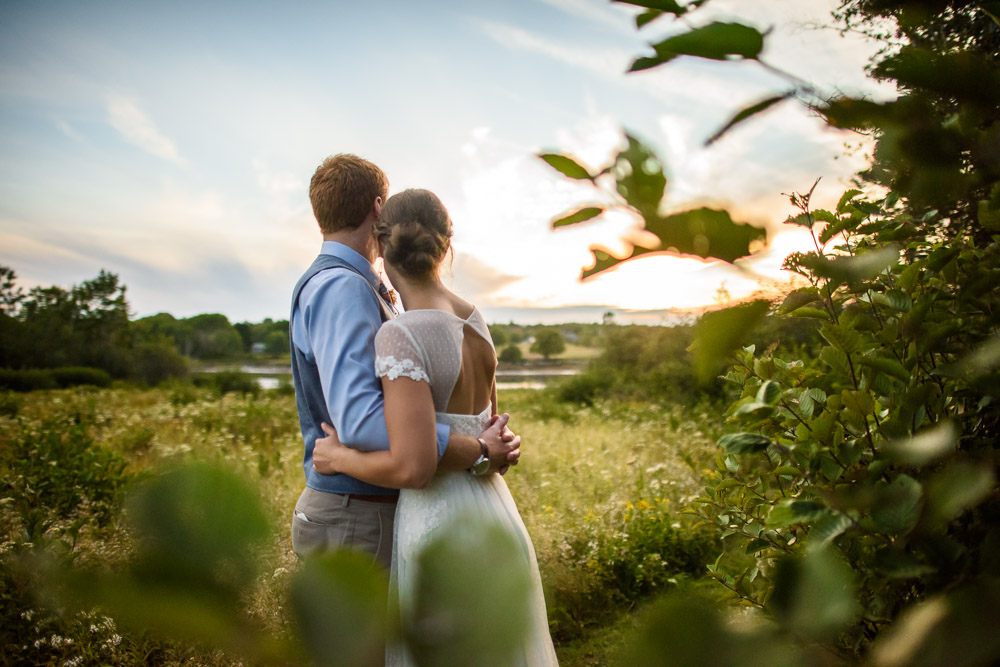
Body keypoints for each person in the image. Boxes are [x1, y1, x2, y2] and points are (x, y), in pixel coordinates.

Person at [311, 188, 558, 665]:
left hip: (437, 522)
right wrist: (493, 451)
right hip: (494, 513)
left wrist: (338, 457)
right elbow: (493, 433)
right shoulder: (477, 321)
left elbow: (414, 467)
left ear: (380, 249)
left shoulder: (401, 334)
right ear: (448, 246)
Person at [289, 154, 520, 567]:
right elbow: (360, 421)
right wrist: (477, 450)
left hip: (392, 505)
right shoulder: (343, 285)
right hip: (355, 511)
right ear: (378, 207)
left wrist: (481, 449)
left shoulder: (375, 297)